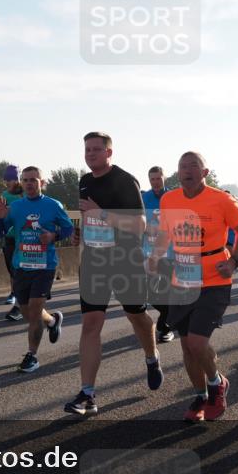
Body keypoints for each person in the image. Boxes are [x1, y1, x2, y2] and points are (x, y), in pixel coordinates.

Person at [148, 152, 238, 422]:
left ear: (205, 172)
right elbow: (164, 234)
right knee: (188, 348)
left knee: (197, 342)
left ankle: (217, 385)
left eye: (194, 166)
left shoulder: (222, 199)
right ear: (177, 173)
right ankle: (201, 395)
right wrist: (155, 256)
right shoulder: (169, 200)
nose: (188, 170)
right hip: (182, 279)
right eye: (183, 166)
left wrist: (234, 261)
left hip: (215, 278)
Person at [65, 132, 160, 417]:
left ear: (109, 152)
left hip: (125, 260)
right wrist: (83, 232)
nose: (90, 154)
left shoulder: (125, 180)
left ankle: (151, 357)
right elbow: (89, 215)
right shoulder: (84, 181)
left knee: (137, 317)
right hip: (94, 260)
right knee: (91, 324)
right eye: (87, 150)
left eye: (96, 149)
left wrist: (102, 213)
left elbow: (141, 224)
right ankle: (88, 394)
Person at [0, 167, 72, 374]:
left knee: (35, 311)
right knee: (29, 313)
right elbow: (1, 233)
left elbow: (68, 228)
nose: (29, 183)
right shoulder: (16, 206)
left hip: (45, 266)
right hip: (21, 265)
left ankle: (32, 356)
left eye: (33, 180)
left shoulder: (53, 205)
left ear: (41, 182)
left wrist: (53, 236)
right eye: (25, 180)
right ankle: (53, 320)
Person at [142, 166, 173, 343]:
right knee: (152, 295)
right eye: (152, 179)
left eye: (158, 178)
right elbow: (137, 222)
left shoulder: (173, 197)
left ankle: (165, 327)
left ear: (164, 178)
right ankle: (170, 318)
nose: (155, 182)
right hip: (149, 252)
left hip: (170, 253)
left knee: (168, 292)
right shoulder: (144, 198)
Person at [0, 165, 24, 321]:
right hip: (9, 236)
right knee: (12, 267)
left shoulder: (24, 193)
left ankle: (21, 300)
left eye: (11, 179)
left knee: (20, 267)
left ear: (17, 179)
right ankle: (14, 293)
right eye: (6, 180)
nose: (7, 183)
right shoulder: (4, 194)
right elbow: (3, 213)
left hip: (23, 236)